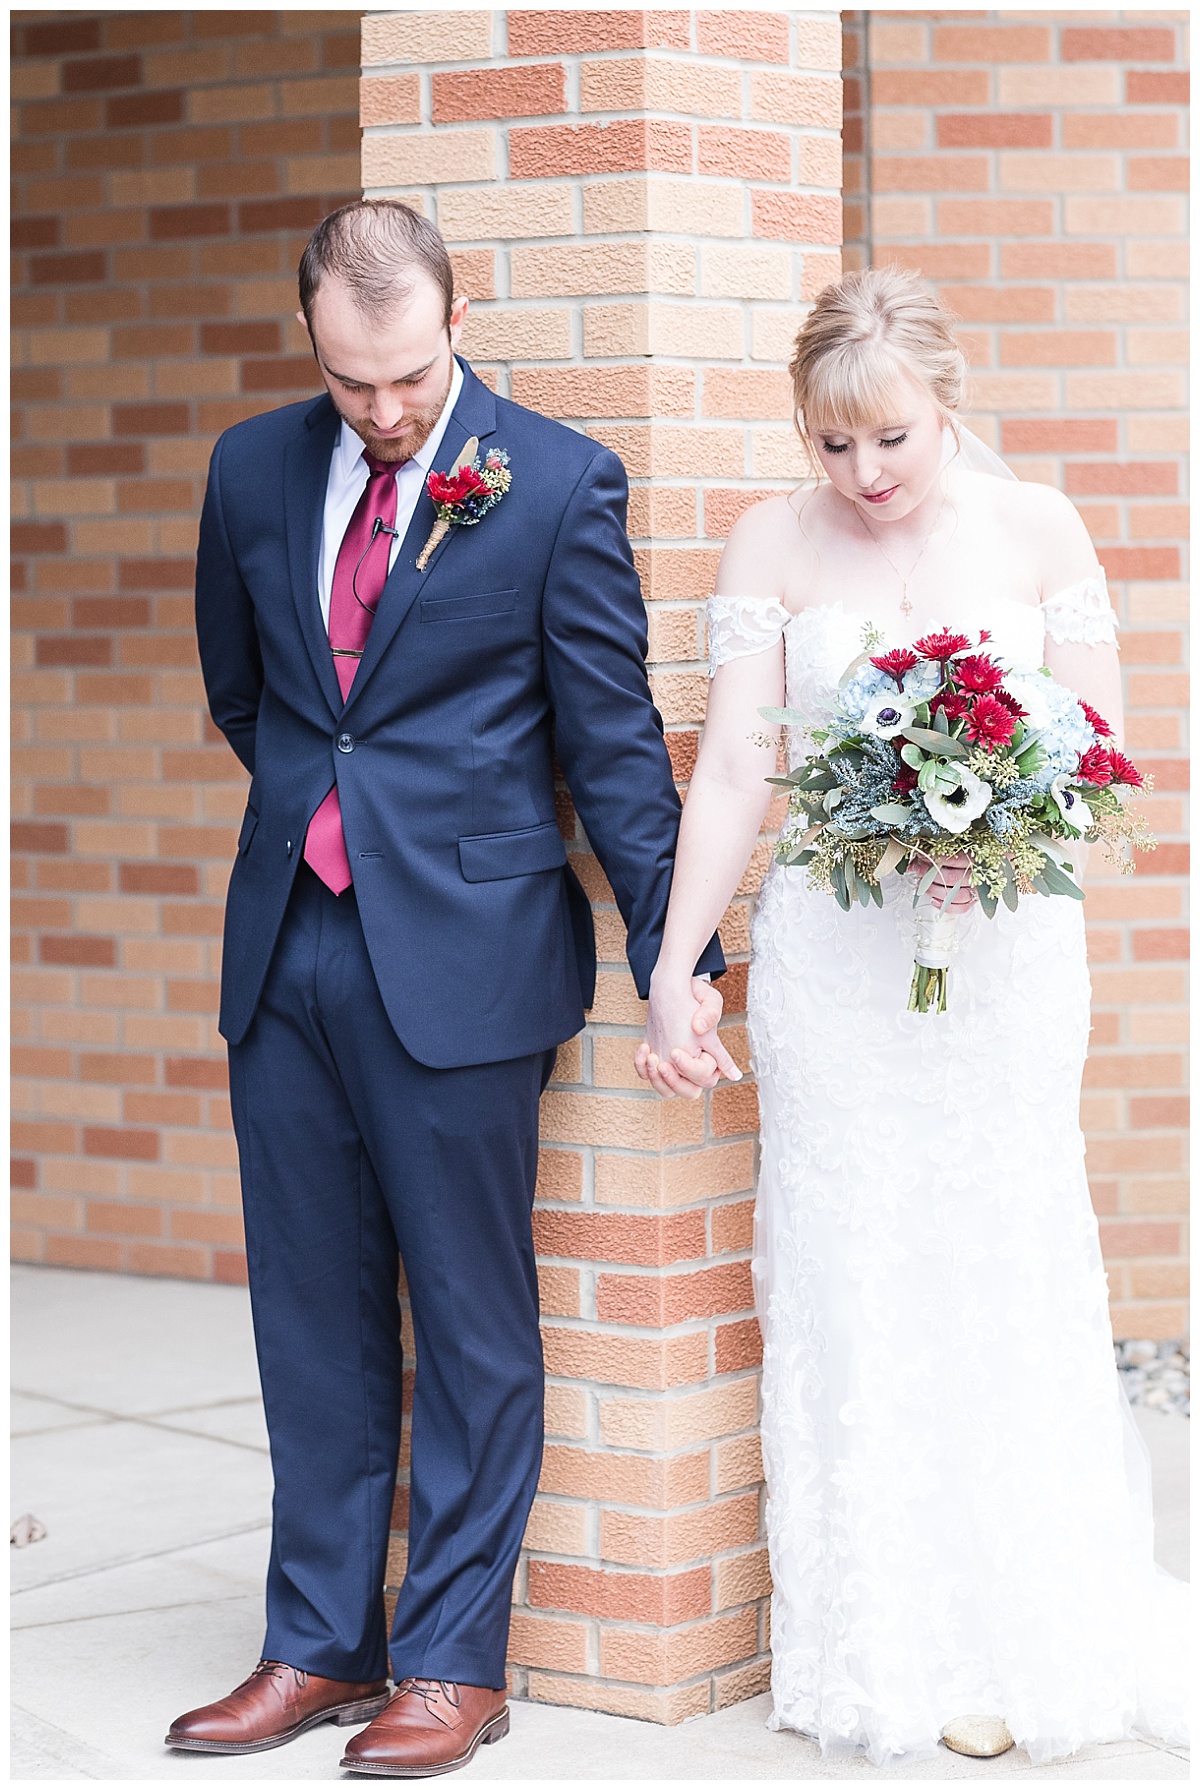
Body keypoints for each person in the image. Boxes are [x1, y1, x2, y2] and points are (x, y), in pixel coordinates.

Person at [168, 199, 728, 1777]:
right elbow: (246, 687)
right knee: (310, 1313)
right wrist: (321, 816)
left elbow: (613, 743)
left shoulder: (550, 481)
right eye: (352, 381)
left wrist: (672, 957)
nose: (386, 410)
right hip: (287, 942)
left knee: (474, 1320)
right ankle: (316, 1641)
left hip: (469, 960)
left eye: (407, 374)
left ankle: (454, 1658)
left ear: (452, 317)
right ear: (313, 338)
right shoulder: (250, 468)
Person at [636, 268, 1188, 1766]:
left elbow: (1102, 752)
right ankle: (878, 1641)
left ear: (947, 402)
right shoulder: (768, 543)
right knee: (852, 1272)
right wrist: (680, 963)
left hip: (1001, 961)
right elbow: (742, 770)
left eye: (891, 439)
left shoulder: (1040, 528)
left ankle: (1025, 1632)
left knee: (1002, 1259)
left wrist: (1006, 821)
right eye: (832, 447)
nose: (862, 475)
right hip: (833, 969)